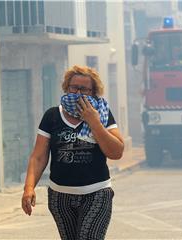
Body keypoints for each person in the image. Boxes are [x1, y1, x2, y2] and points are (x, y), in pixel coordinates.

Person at [21, 65, 124, 240]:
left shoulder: (103, 114)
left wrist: (94, 122)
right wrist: (28, 188)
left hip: (96, 193)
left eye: (84, 89)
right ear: (66, 88)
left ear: (93, 92)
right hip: (60, 196)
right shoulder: (52, 116)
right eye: (73, 87)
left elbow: (116, 152)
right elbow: (38, 157)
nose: (77, 93)